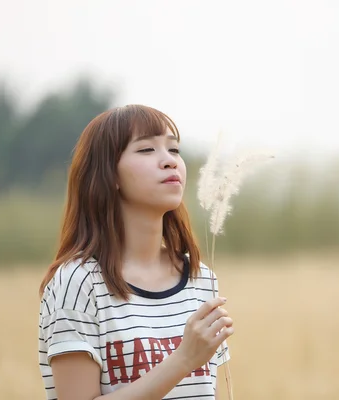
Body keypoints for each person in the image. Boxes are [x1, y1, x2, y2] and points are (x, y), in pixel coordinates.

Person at [37, 105, 234, 400]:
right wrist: (182, 360)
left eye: (174, 149)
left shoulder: (200, 279)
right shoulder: (78, 283)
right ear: (109, 175)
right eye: (146, 150)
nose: (169, 161)